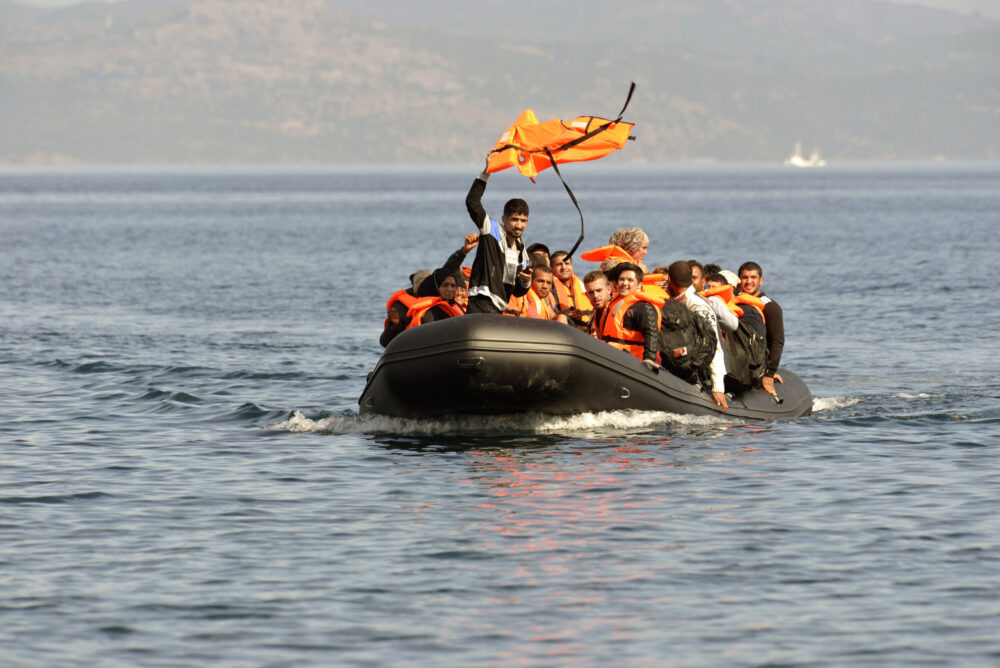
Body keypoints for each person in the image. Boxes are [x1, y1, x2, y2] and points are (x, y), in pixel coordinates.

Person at [464, 166, 532, 314]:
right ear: (504, 219)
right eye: (514, 220)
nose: (519, 225)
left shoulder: (522, 252)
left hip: (499, 307)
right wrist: (486, 172)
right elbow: (472, 202)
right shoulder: (491, 229)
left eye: (523, 221)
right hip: (481, 301)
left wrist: (526, 281)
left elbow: (517, 292)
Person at [665, 261, 728, 412]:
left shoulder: (697, 305)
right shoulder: (672, 301)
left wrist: (718, 386)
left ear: (670, 281)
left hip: (703, 374)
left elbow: (715, 345)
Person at [597, 262, 661, 368]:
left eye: (630, 280)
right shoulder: (615, 300)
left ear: (639, 285)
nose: (624, 283)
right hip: (611, 357)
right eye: (622, 279)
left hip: (632, 364)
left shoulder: (642, 307)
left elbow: (652, 333)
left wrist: (649, 358)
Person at [739, 261, 784, 398]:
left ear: (761, 280)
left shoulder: (770, 307)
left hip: (758, 364)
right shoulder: (734, 301)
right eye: (745, 277)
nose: (749, 282)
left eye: (753, 277)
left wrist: (769, 373)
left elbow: (777, 340)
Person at [380, 269, 431, 347]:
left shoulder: (444, 301)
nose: (424, 289)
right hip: (412, 348)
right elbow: (384, 342)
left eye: (428, 285)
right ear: (414, 286)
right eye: (420, 284)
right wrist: (395, 326)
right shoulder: (401, 306)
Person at [550, 250, 593, 329]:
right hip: (564, 329)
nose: (564, 267)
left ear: (572, 266)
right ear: (551, 268)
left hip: (587, 329)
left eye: (567, 263)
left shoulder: (583, 285)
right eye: (559, 264)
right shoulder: (548, 287)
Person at [583, 270, 612, 337]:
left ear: (609, 290)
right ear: (587, 295)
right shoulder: (596, 312)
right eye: (591, 292)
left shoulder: (619, 312)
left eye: (599, 290)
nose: (595, 296)